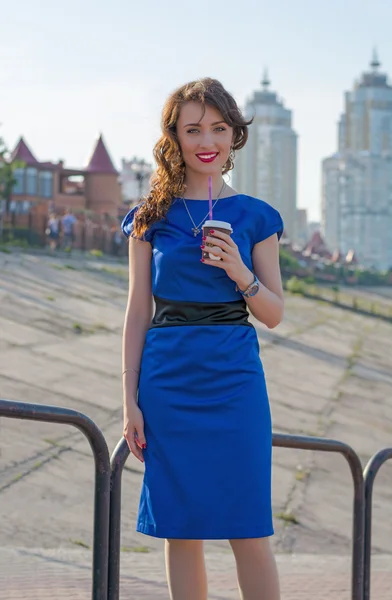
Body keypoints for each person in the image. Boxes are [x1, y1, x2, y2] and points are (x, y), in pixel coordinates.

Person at [121, 78, 284, 600]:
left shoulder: (256, 216)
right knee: (180, 526)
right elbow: (137, 310)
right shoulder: (150, 218)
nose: (206, 139)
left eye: (217, 127)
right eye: (193, 129)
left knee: (249, 526)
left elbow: (274, 313)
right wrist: (129, 401)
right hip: (168, 380)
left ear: (234, 134)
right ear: (175, 137)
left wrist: (240, 271)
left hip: (235, 379)